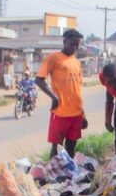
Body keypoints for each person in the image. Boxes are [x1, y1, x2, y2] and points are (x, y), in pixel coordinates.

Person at [35, 29, 86, 158]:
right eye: (72, 44)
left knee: (71, 146)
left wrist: (83, 114)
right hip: (61, 111)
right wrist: (54, 96)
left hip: (76, 112)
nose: (75, 47)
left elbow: (77, 90)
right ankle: (52, 174)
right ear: (65, 41)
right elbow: (39, 79)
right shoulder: (54, 58)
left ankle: (68, 174)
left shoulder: (77, 63)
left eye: (77, 45)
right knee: (56, 147)